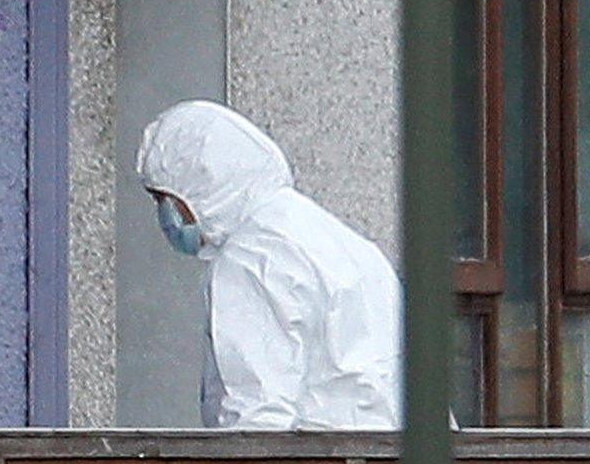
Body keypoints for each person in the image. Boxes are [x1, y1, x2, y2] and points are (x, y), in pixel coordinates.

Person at [137, 99, 401, 430]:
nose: (166, 215)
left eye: (165, 199)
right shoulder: (332, 238)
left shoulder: (251, 258)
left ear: (201, 185)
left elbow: (257, 414)